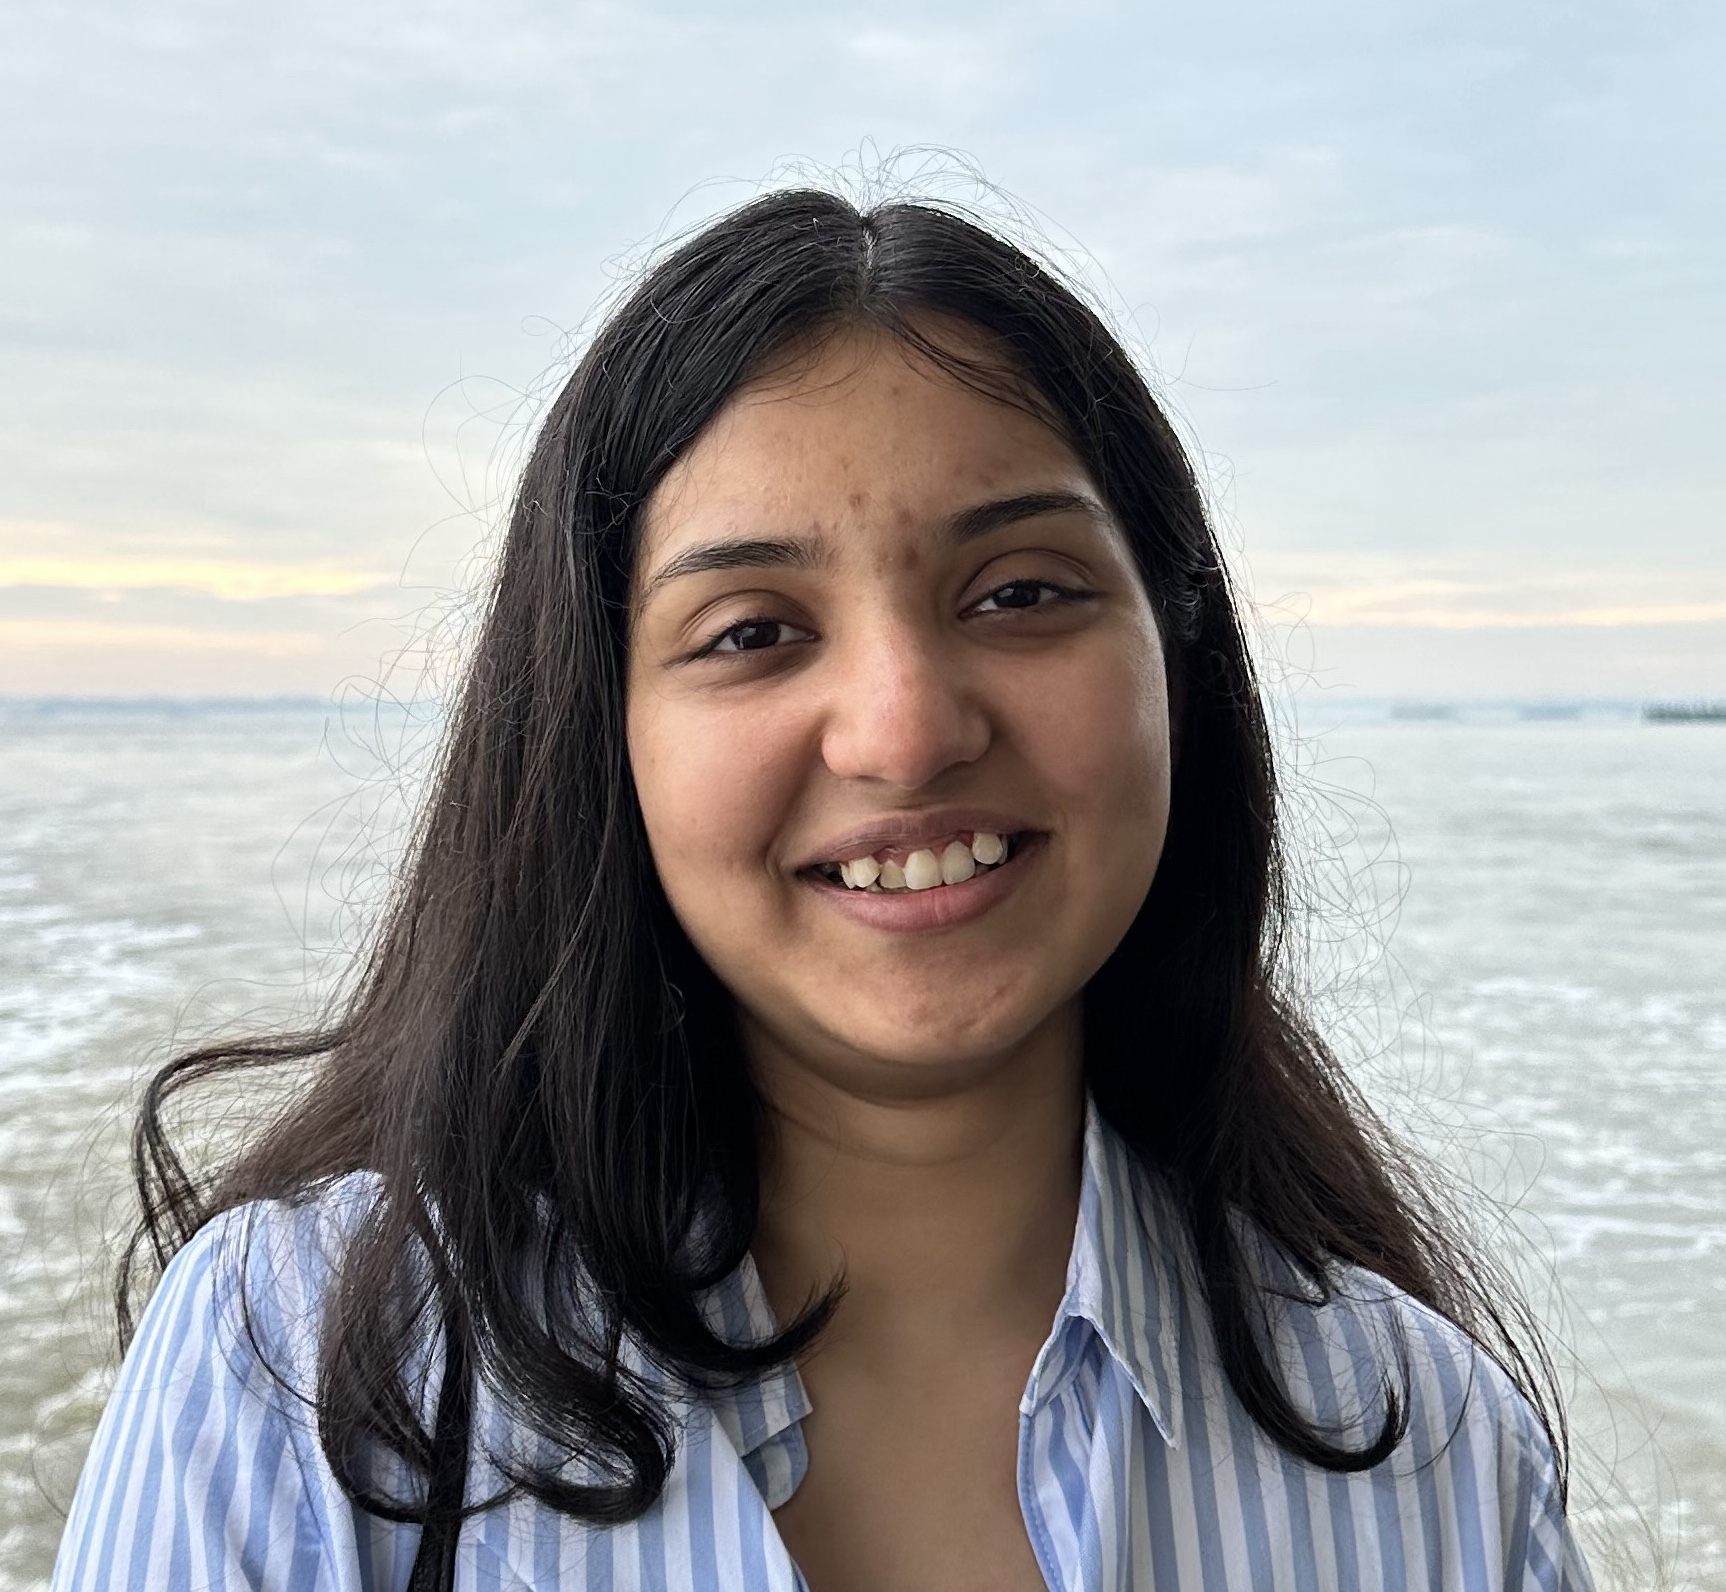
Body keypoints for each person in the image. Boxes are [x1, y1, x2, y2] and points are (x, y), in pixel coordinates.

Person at [52, 188, 1594, 1591]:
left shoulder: (1427, 1459)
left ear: (1176, 663)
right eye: (750, 630)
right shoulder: (305, 1381)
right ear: (605, 737)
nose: (906, 726)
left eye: (1020, 593)